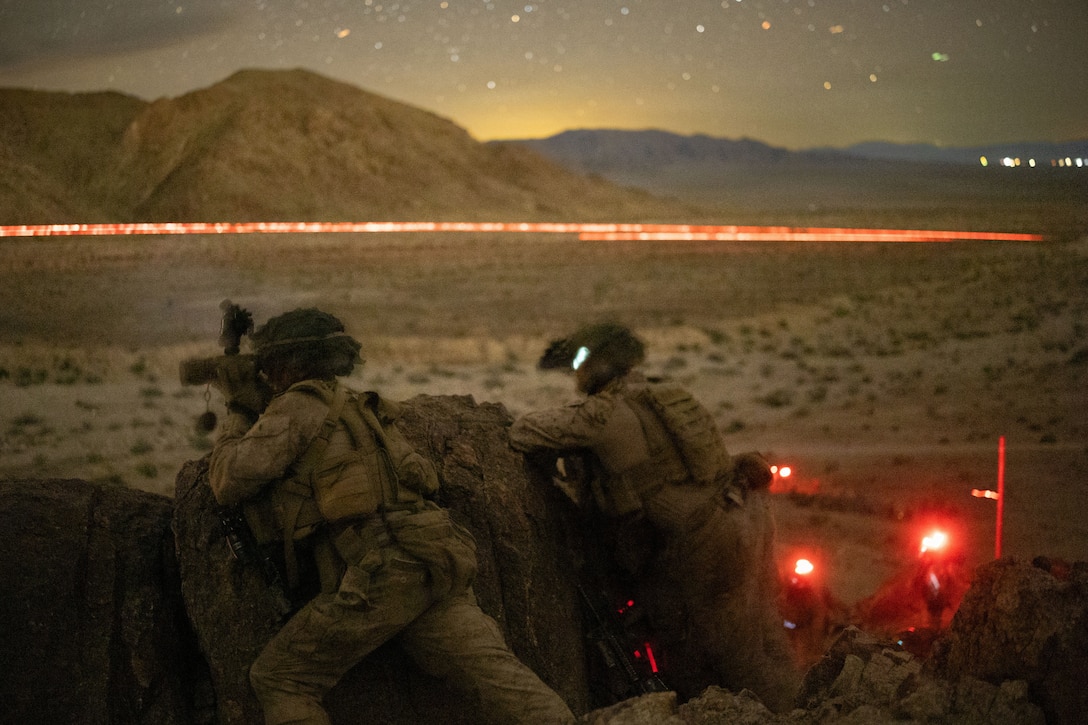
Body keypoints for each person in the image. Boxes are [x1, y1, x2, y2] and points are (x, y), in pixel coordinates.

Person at [208, 308, 574, 725]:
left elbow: (226, 479)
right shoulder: (361, 408)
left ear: (288, 361)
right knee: (501, 681)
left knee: (280, 679)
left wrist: (237, 411)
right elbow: (421, 476)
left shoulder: (296, 408)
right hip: (432, 560)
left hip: (379, 573)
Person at [508, 323, 799, 711]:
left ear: (600, 363)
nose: (575, 370)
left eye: (580, 360)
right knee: (762, 639)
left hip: (694, 549)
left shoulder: (600, 415)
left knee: (703, 661)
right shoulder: (663, 393)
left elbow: (524, 432)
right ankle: (804, 707)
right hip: (737, 518)